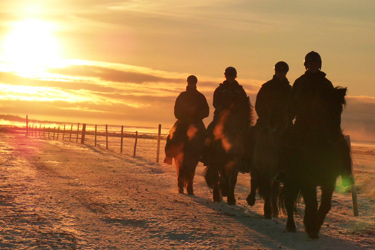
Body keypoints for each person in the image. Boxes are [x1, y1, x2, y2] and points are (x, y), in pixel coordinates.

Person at [280, 51, 352, 182]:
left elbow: (334, 105)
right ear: (306, 65)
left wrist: (334, 124)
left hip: (324, 124)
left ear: (320, 65)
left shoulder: (326, 83)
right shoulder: (299, 82)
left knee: (342, 145)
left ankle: (346, 174)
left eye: (316, 63)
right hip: (303, 122)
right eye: (311, 63)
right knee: (287, 141)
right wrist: (289, 119)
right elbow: (292, 102)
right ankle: (283, 171)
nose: (313, 65)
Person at [201, 66, 251, 166]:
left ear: (235, 76)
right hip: (221, 117)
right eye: (228, 75)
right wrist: (222, 109)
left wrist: (239, 111)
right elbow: (215, 102)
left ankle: (245, 159)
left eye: (232, 75)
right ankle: (206, 155)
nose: (230, 77)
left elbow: (245, 104)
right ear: (225, 76)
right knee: (210, 130)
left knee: (247, 135)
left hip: (236, 118)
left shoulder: (240, 90)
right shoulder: (220, 89)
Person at [164, 75, 209, 165]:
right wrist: (183, 117)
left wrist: (197, 117)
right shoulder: (182, 96)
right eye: (190, 82)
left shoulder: (200, 97)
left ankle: (206, 156)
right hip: (183, 120)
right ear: (188, 83)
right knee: (172, 134)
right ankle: (168, 156)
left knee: (205, 136)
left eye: (193, 82)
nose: (192, 84)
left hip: (196, 121)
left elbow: (206, 111)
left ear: (195, 83)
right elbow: (176, 110)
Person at [255, 61, 292, 130]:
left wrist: (287, 119)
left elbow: (293, 106)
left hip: (284, 123)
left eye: (283, 72)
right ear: (275, 71)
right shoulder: (266, 87)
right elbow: (259, 104)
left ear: (286, 73)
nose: (281, 73)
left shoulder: (289, 89)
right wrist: (266, 119)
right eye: (279, 71)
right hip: (266, 122)